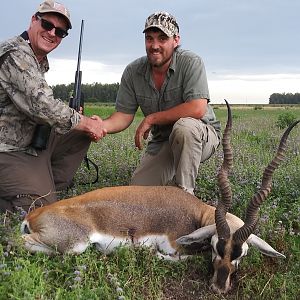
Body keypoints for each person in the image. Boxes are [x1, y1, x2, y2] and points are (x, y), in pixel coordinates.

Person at [0, 0, 106, 213]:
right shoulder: (15, 54)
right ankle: (27, 195)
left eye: (60, 32)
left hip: (29, 139)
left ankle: (42, 184)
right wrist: (83, 122)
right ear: (33, 20)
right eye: (47, 25)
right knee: (40, 211)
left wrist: (82, 122)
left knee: (79, 133)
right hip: (8, 149)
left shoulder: (37, 58)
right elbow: (42, 105)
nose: (52, 33)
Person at [102, 11, 221, 195]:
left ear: (176, 40)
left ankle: (184, 198)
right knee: (136, 196)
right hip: (163, 140)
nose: (154, 46)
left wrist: (152, 119)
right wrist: (99, 126)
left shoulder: (191, 62)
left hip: (201, 135)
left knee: (184, 128)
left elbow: (197, 108)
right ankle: (168, 189)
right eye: (149, 39)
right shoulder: (133, 71)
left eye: (162, 38)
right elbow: (123, 116)